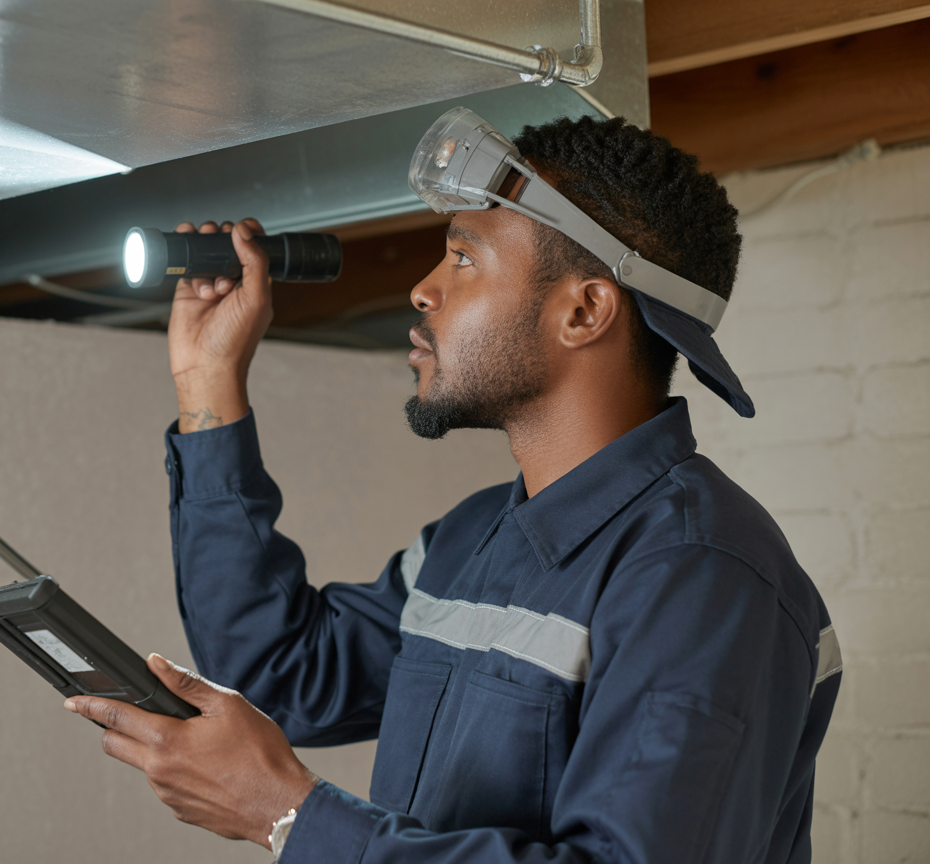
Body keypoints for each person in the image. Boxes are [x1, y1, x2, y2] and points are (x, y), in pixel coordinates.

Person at [64, 113, 842, 863]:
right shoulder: (471, 541)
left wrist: (288, 816)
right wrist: (209, 383)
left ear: (584, 310)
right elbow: (284, 678)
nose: (422, 290)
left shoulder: (702, 577)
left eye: (463, 259)